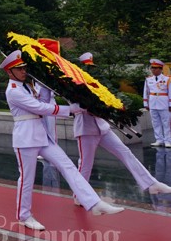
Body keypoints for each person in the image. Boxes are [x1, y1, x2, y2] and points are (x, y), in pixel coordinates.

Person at [0, 50, 124, 230]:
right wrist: (71, 109)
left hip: (42, 136)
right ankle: (24, 216)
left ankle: (94, 203)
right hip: (25, 139)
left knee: (68, 166)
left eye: (24, 67)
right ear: (9, 72)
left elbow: (43, 100)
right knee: (27, 179)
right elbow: (40, 107)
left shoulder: (27, 86)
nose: (24, 71)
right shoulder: (13, 91)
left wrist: (48, 85)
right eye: (19, 69)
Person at [73, 53, 171, 200]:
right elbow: (73, 106)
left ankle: (151, 184)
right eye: (87, 68)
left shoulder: (96, 84)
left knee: (126, 152)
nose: (90, 71)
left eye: (91, 67)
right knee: (86, 165)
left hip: (103, 127)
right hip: (86, 129)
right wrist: (90, 107)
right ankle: (79, 195)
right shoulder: (72, 86)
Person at [143, 58, 171, 148]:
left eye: (155, 68)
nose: (153, 70)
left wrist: (170, 104)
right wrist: (146, 104)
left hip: (164, 103)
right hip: (153, 103)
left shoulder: (167, 79)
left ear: (160, 69)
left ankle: (168, 140)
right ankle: (159, 139)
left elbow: (170, 92)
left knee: (166, 123)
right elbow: (146, 92)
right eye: (152, 68)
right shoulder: (148, 79)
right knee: (155, 122)